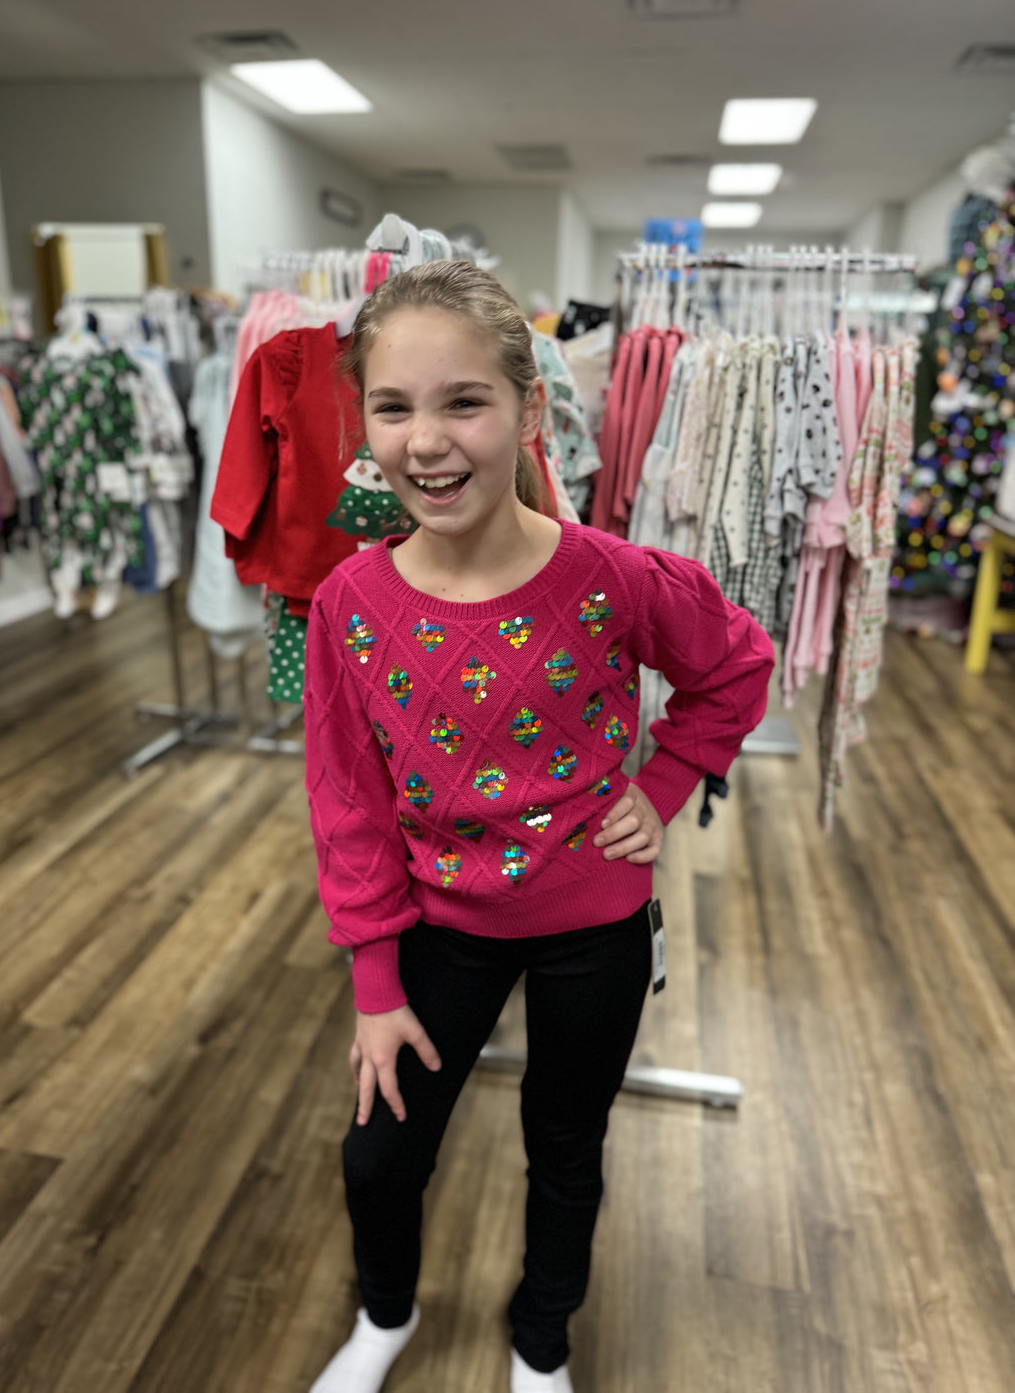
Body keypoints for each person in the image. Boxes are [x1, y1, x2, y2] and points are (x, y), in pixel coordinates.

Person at [303, 261, 774, 1392]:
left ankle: (541, 1341)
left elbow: (737, 665)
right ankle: (384, 1316)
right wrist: (375, 979)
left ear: (529, 410)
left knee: (565, 1148)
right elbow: (348, 799)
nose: (426, 440)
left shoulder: (614, 577)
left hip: (593, 932)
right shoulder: (348, 604)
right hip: (436, 929)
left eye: (462, 400)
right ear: (362, 419)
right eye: (393, 405)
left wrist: (659, 789)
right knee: (379, 1157)